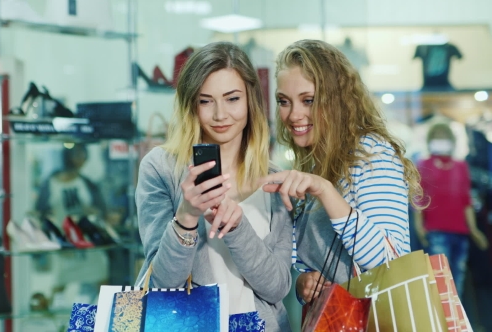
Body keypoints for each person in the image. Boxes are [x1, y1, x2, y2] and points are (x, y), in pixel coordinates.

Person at [135, 41, 293, 331]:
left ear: (250, 100)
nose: (220, 115)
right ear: (191, 105)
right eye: (205, 101)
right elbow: (161, 285)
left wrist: (237, 228)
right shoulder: (161, 168)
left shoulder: (274, 179)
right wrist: (186, 217)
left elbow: (277, 288)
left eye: (232, 99)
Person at [261, 39, 423, 304]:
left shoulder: (371, 154)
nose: (293, 114)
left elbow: (391, 263)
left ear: (336, 100)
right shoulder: (315, 164)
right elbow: (315, 260)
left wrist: (326, 191)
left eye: (308, 100)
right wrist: (304, 281)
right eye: (284, 101)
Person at [414, 122, 489, 297]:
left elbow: (466, 200)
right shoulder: (424, 164)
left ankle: (456, 323)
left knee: (458, 281)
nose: (441, 140)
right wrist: (419, 227)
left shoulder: (461, 166)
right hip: (436, 231)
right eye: (437, 136)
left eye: (444, 136)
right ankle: (441, 322)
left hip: (460, 232)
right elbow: (419, 198)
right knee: (441, 282)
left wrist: (474, 230)